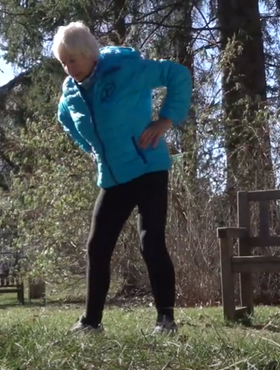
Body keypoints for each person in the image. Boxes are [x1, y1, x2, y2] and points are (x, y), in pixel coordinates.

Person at [52, 21, 193, 335]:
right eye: (63, 62)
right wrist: (91, 148)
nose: (68, 67)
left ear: (88, 53)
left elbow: (177, 75)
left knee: (150, 242)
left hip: (148, 168)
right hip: (113, 178)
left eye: (72, 59)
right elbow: (66, 117)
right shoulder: (71, 91)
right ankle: (91, 323)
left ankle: (166, 321)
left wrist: (165, 120)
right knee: (97, 246)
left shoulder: (126, 69)